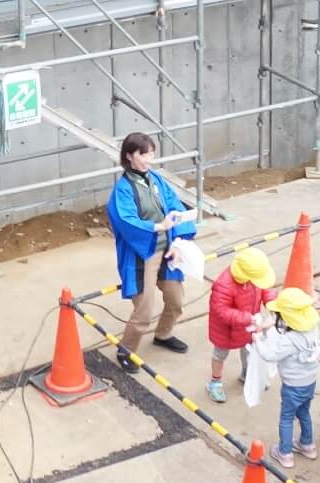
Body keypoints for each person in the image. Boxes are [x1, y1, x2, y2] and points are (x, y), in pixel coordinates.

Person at [105, 131, 197, 369]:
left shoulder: (155, 179)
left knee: (176, 300)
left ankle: (163, 334)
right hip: (142, 253)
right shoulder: (123, 189)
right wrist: (158, 226)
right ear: (129, 156)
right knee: (144, 309)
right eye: (143, 154)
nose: (149, 159)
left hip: (168, 249)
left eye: (151, 153)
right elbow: (126, 221)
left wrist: (178, 242)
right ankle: (126, 351)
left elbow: (175, 206)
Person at [250, 286, 320, 467]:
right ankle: (307, 445)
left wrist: (257, 341)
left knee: (287, 418)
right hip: (309, 382)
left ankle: (284, 453)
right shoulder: (312, 329)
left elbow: (270, 355)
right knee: (304, 412)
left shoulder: (289, 340)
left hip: (292, 385)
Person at [206, 247, 275, 402]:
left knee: (249, 351)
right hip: (226, 329)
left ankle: (247, 374)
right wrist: (248, 318)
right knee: (220, 354)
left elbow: (266, 289)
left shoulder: (255, 277)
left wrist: (272, 304)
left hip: (248, 325)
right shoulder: (224, 285)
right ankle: (215, 382)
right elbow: (221, 311)